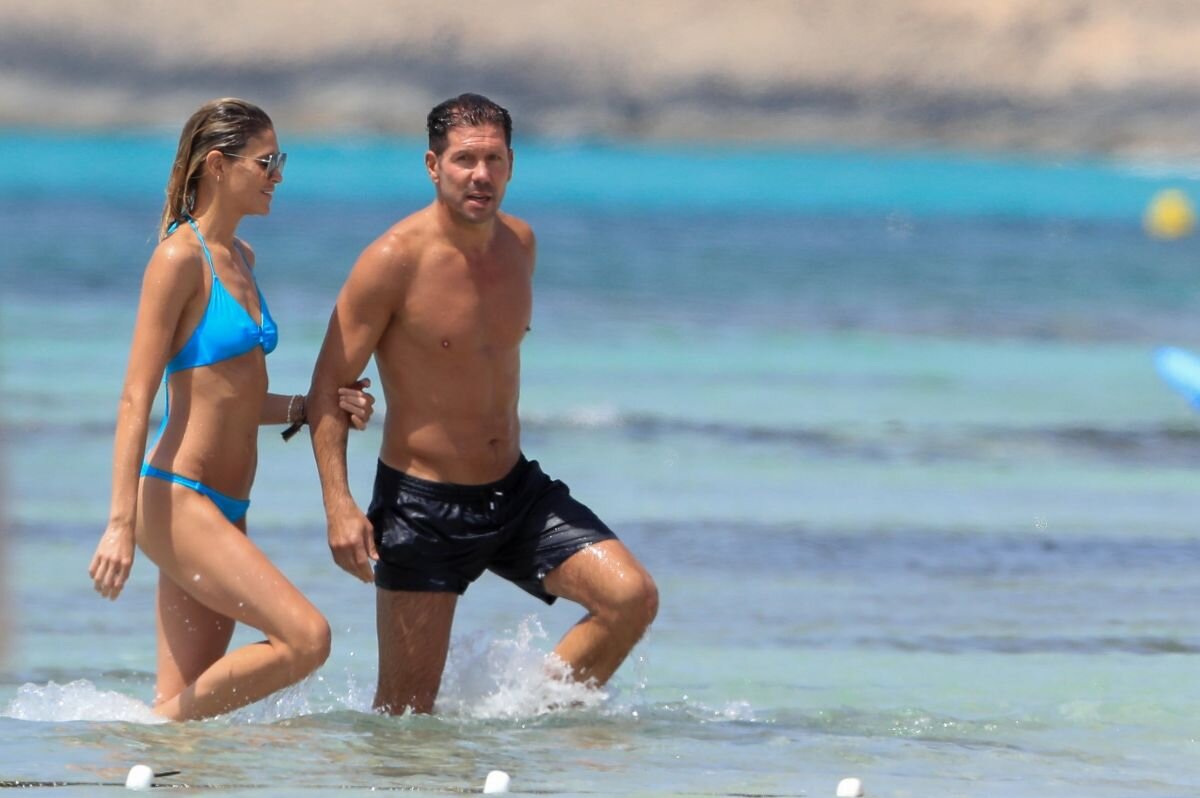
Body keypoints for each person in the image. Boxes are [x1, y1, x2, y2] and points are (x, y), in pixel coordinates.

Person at [306, 92, 659, 714]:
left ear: (511, 165)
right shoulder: (391, 261)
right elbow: (326, 389)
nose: (480, 174)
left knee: (630, 598)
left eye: (494, 159)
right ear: (433, 165)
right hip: (423, 506)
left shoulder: (520, 245)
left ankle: (528, 721)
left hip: (516, 492)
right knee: (405, 719)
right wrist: (339, 506)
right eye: (465, 159)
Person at [87, 98, 375, 721]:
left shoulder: (241, 257)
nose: (278, 176)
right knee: (307, 638)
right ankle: (134, 742)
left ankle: (128, 758)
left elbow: (233, 400)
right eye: (267, 162)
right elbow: (137, 395)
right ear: (218, 165)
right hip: (178, 498)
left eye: (280, 161)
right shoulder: (177, 260)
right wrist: (119, 524)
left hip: (228, 507)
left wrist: (314, 406)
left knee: (186, 722)